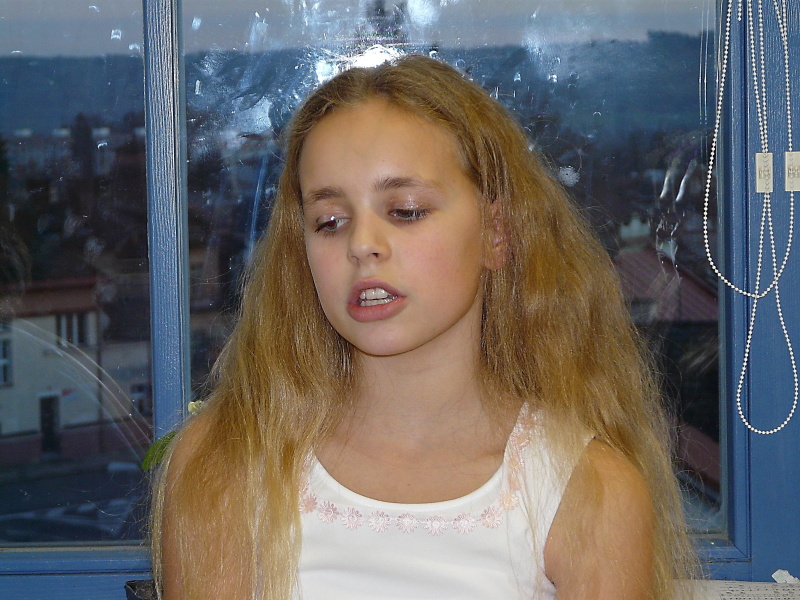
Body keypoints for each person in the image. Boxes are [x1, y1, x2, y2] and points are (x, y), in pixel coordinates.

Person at [149, 54, 698, 600]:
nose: (363, 245)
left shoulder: (587, 491)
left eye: (406, 211)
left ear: (497, 233)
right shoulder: (228, 461)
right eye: (329, 222)